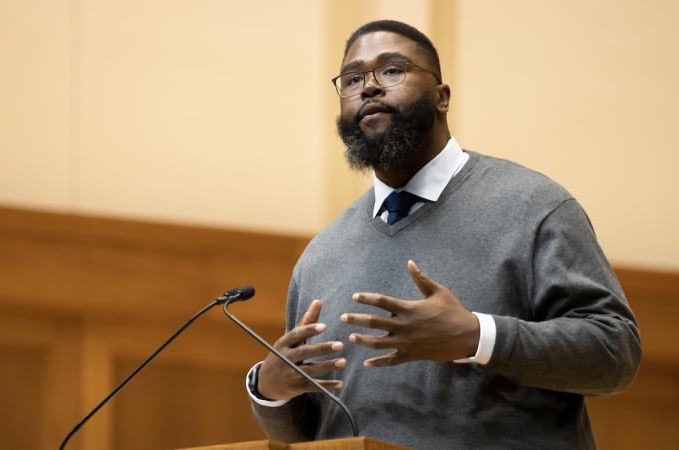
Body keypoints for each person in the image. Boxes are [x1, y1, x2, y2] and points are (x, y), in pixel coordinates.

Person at [245, 19, 641, 449]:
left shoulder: (534, 207)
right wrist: (270, 391)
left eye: (392, 70)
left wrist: (477, 336)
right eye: (353, 78)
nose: (369, 88)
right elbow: (312, 435)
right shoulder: (321, 256)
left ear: (441, 97)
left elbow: (614, 352)